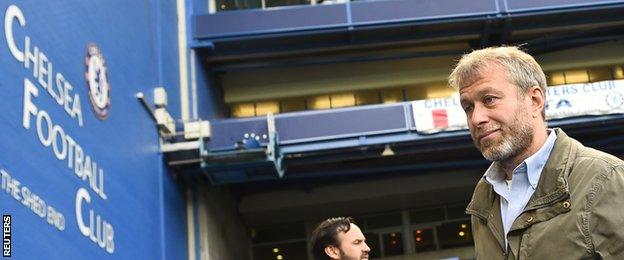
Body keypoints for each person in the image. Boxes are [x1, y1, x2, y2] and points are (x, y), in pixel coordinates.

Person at [449, 46, 624, 259]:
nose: (476, 119)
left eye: (489, 99)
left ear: (535, 101)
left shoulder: (606, 177)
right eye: (468, 107)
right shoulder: (483, 197)